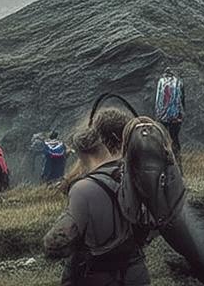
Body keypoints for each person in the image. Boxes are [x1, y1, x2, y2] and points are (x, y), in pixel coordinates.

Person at [42, 106, 150, 285]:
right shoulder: (138, 176)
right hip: (136, 273)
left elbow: (54, 244)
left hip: (98, 276)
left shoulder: (84, 188)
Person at [154, 68, 185, 155]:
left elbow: (158, 99)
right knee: (174, 137)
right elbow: (182, 99)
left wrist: (157, 114)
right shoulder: (178, 82)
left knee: (162, 136)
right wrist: (182, 113)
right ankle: (177, 156)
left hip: (162, 116)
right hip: (176, 116)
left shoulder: (160, 82)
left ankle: (163, 155)